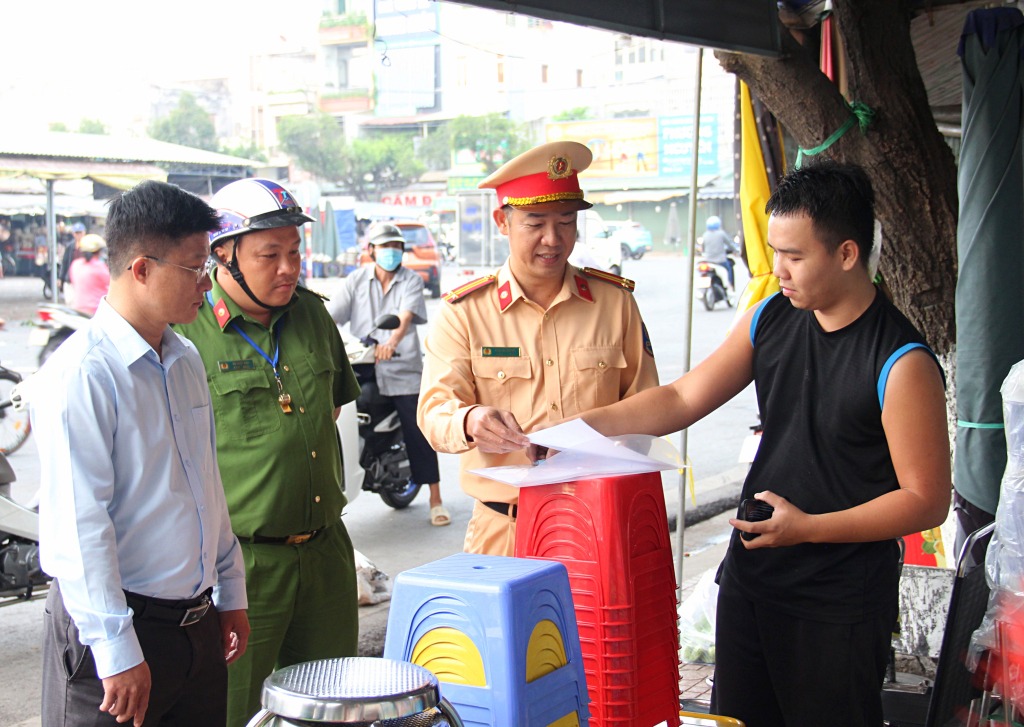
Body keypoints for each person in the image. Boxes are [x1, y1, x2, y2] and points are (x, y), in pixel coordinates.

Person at [537, 162, 951, 727]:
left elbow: (925, 499)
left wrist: (808, 528)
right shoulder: (770, 317)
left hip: (838, 602)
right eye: (774, 250)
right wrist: (578, 430)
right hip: (753, 579)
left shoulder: (901, 362)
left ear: (848, 253)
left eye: (795, 257)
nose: (777, 269)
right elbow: (683, 398)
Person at [31, 180, 249, 727]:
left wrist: (230, 589)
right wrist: (116, 650)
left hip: (194, 627)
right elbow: (80, 528)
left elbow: (205, 488)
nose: (208, 283)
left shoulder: (186, 358)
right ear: (142, 269)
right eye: (196, 267)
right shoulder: (83, 373)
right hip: (117, 633)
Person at [173, 178, 362, 727]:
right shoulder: (187, 335)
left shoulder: (311, 315)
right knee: (234, 711)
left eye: (295, 252)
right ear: (223, 256)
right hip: (243, 569)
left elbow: (327, 414)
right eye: (269, 255)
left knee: (333, 708)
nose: (288, 268)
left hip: (326, 553)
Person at [417, 141, 659, 556]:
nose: (553, 239)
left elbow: (649, 407)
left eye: (566, 222)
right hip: (505, 531)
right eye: (535, 223)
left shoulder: (615, 303)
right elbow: (434, 411)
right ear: (503, 221)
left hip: (600, 525)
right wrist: (471, 420)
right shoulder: (465, 312)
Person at [328, 221, 450, 526]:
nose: (391, 252)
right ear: (372, 251)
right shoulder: (355, 281)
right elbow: (331, 318)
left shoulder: (410, 280)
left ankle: (435, 498)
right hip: (364, 365)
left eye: (396, 247)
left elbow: (404, 317)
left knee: (417, 428)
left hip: (402, 366)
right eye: (385, 247)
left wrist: (391, 342)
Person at [68, 233, 110, 315]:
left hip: (77, 307)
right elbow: (113, 283)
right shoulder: (99, 266)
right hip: (96, 310)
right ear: (99, 251)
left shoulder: (75, 264)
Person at [701, 216, 739, 289]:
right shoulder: (721, 233)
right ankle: (730, 285)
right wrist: (736, 250)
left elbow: (703, 249)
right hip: (720, 260)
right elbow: (729, 245)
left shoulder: (705, 235)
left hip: (708, 261)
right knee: (729, 269)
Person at [61, 221, 87, 296]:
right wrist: (61, 277)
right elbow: (65, 262)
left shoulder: (88, 246)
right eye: (76, 233)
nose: (78, 235)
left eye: (80, 232)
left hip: (84, 276)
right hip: (71, 277)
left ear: (84, 232)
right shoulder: (70, 246)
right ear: (73, 234)